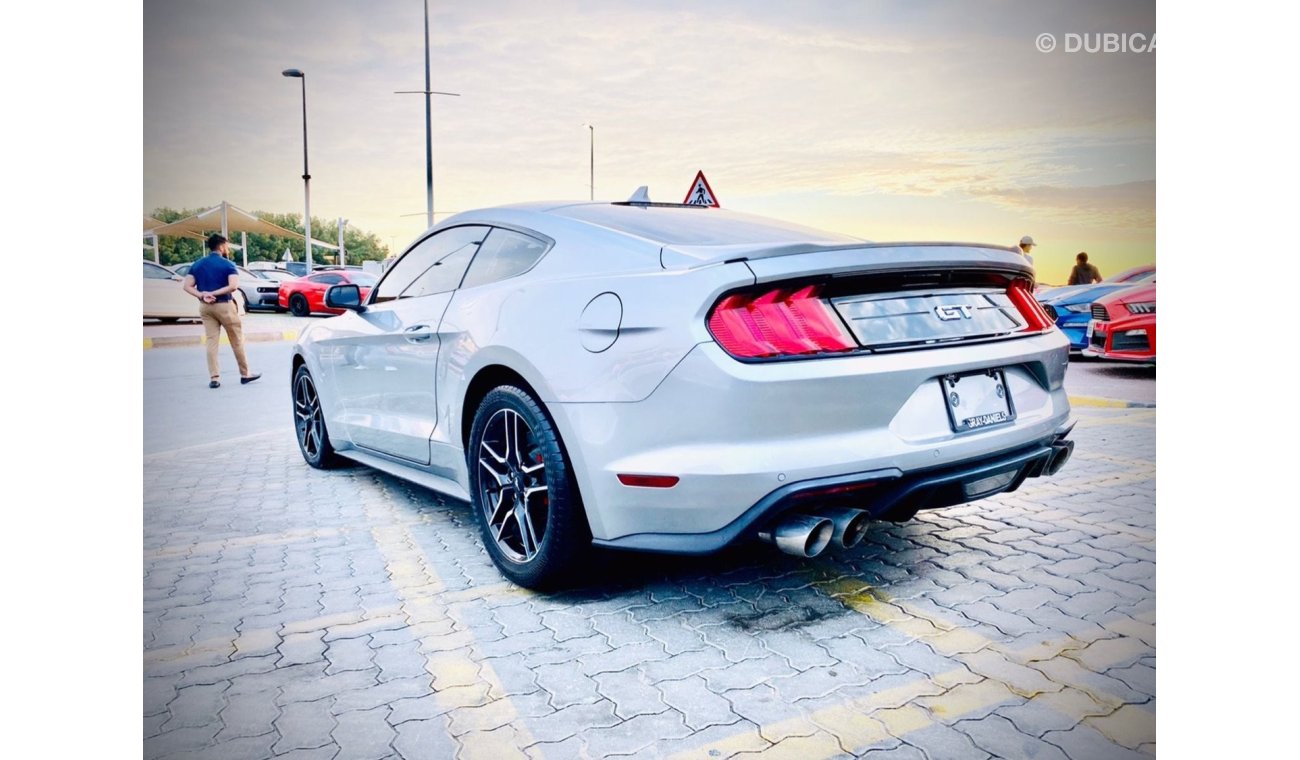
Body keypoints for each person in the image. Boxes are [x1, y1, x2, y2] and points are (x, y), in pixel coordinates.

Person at [183, 234, 261, 389]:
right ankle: (245, 374)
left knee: (211, 341)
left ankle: (214, 377)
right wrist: (216, 293)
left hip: (205, 307)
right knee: (236, 340)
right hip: (224, 305)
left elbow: (187, 286)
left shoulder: (198, 264)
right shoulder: (228, 264)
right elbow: (233, 286)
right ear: (221, 246)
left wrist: (203, 295)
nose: (228, 248)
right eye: (226, 245)